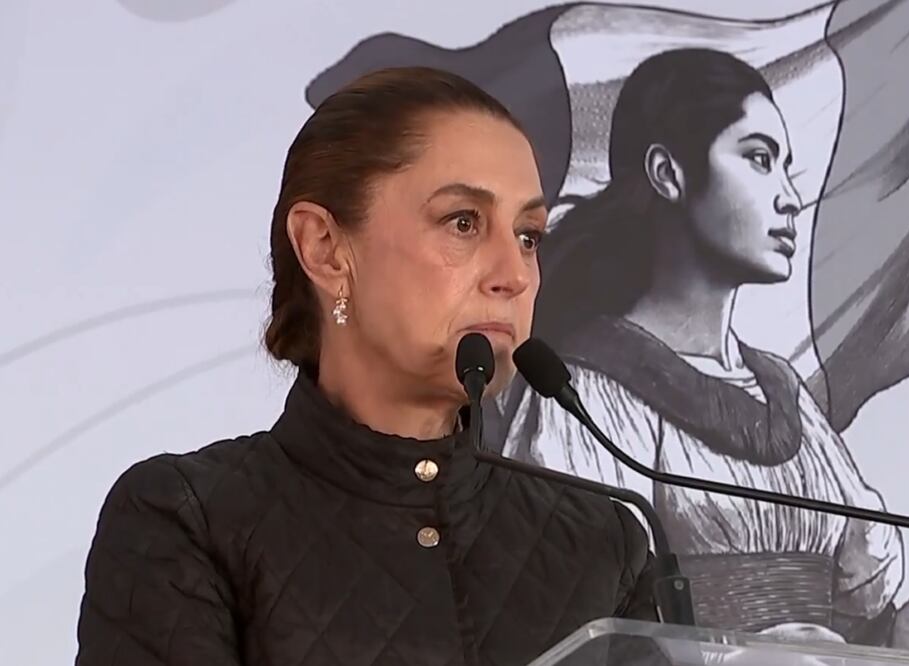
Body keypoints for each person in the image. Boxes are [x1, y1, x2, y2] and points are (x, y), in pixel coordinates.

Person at [74, 67, 660, 666]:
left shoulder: (604, 541)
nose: (513, 275)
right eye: (463, 222)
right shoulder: (187, 521)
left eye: (529, 235)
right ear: (325, 248)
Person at [493, 49, 909, 653]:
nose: (789, 197)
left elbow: (885, 651)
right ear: (668, 173)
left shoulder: (791, 404)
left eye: (786, 167)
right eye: (759, 159)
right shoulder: (585, 398)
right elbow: (568, 640)